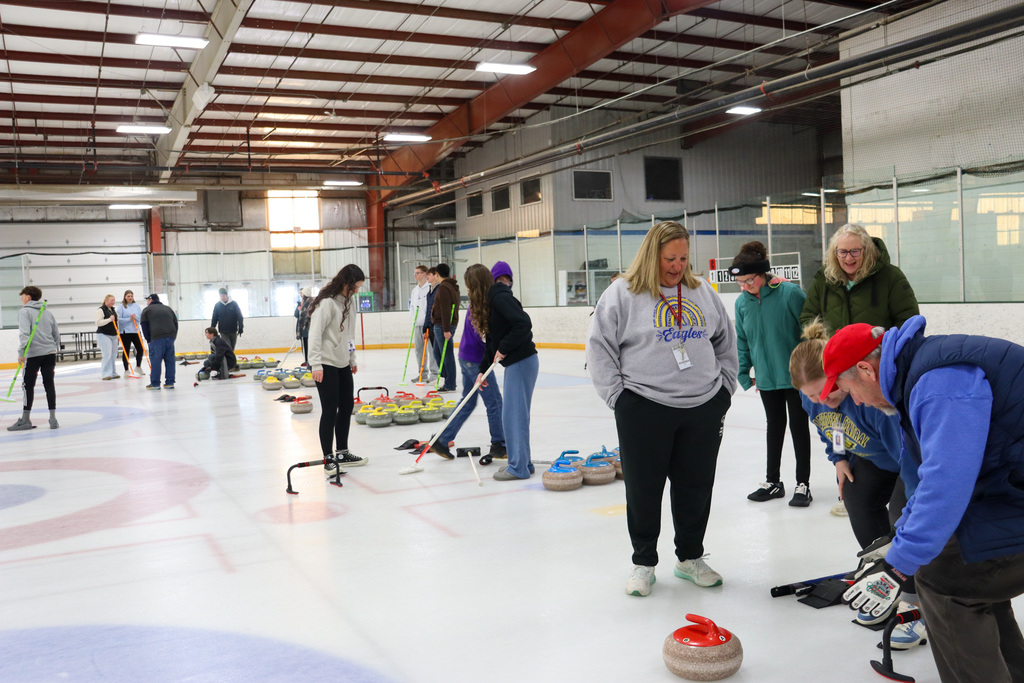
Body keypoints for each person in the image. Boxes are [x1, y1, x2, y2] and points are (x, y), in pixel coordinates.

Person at [824, 316, 1024, 680]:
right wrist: (899, 539)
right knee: (971, 573)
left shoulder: (938, 383)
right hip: (1009, 492)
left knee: (945, 583)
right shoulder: (916, 376)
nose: (858, 403)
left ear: (866, 370)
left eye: (850, 391)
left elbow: (947, 482)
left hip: (1011, 497)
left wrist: (900, 565)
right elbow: (925, 477)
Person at [587, 221, 737, 597]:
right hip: (644, 406)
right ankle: (643, 564)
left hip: (703, 405)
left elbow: (725, 340)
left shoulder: (701, 291)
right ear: (652, 255)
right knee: (643, 489)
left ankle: (690, 558)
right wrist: (618, 398)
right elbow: (599, 346)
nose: (677, 266)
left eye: (684, 258)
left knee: (696, 486)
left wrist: (724, 390)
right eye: (670, 258)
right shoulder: (622, 293)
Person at [789, 319, 922, 649]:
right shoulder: (813, 399)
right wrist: (840, 460)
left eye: (826, 391)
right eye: (809, 396)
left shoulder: (869, 403)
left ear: (839, 377)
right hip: (873, 459)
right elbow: (828, 427)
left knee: (903, 516)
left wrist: (912, 507)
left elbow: (908, 457)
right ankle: (879, 577)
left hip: (907, 461)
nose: (821, 401)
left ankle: (914, 602)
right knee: (857, 498)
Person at [729, 241, 812, 506]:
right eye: (740, 283)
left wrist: (810, 372)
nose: (744, 287)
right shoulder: (742, 304)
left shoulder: (790, 294)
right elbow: (742, 341)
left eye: (749, 280)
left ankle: (803, 484)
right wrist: (744, 374)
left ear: (762, 274)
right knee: (774, 428)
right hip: (765, 378)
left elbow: (811, 336)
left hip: (796, 378)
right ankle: (773, 481)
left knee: (799, 427)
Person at [427, 271, 508, 461]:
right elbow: (484, 338)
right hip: (474, 360)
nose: (467, 288)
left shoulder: (478, 303)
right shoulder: (481, 306)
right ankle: (499, 443)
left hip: (467, 357)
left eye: (469, 284)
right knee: (494, 402)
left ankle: (442, 439)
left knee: (468, 401)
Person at [475, 261, 536, 481]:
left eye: (506, 278)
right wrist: (482, 371)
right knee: (515, 415)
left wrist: (504, 348)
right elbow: (491, 341)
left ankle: (518, 467)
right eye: (502, 278)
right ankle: (523, 463)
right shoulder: (495, 300)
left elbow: (523, 324)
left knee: (513, 415)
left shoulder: (500, 298)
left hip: (522, 361)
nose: (505, 282)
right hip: (517, 362)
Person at [799, 223, 919, 334]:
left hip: (878, 356)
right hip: (834, 356)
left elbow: (908, 321)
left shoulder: (891, 276)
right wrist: (826, 346)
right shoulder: (824, 279)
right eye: (842, 252)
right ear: (834, 253)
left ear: (866, 250)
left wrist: (884, 349)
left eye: (855, 251)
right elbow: (808, 318)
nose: (849, 258)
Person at [308, 264, 368, 474]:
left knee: (346, 406)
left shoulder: (349, 303)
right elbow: (314, 335)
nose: (357, 291)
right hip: (325, 363)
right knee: (330, 410)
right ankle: (328, 458)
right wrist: (315, 364)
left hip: (342, 362)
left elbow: (349, 334)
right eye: (355, 287)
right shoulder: (326, 304)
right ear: (345, 283)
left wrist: (352, 358)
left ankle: (342, 451)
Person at [7, 286, 60, 431]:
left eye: (22, 295)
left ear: (28, 297)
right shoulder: (47, 312)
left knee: (27, 385)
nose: (21, 298)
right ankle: (53, 419)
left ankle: (25, 420)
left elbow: (25, 334)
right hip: (49, 353)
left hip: (34, 354)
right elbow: (57, 335)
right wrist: (51, 348)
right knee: (49, 384)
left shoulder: (24, 312)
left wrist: (21, 352)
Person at [430, 263, 460, 392]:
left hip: (442, 326)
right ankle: (447, 378)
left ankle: (450, 384)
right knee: (437, 352)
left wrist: (446, 329)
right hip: (442, 325)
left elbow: (445, 309)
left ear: (437, 274)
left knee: (446, 355)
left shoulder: (443, 288)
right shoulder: (452, 286)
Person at [140, 293, 178, 390]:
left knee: (156, 361)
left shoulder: (147, 310)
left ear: (150, 299)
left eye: (147, 300)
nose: (147, 302)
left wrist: (148, 339)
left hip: (156, 338)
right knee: (170, 361)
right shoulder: (168, 309)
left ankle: (155, 383)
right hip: (170, 337)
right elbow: (175, 323)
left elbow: (144, 326)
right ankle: (170, 382)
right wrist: (173, 336)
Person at [409, 265, 433, 382]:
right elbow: (412, 307)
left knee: (431, 349)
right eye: (415, 273)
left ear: (424, 274)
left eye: (417, 273)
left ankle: (434, 373)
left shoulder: (430, 288)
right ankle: (422, 373)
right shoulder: (415, 290)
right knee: (419, 350)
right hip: (417, 324)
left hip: (427, 324)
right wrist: (414, 319)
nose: (415, 275)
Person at [116, 290, 144, 376]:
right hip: (125, 332)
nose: (130, 298)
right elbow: (119, 320)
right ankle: (126, 370)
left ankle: (138, 367)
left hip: (135, 331)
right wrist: (129, 319)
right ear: (125, 297)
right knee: (126, 351)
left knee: (140, 349)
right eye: (128, 296)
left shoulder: (136, 306)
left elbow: (140, 317)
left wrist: (135, 317)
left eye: (131, 296)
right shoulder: (121, 307)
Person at [94, 294, 120, 381]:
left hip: (113, 334)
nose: (113, 302)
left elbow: (116, 322)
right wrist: (109, 320)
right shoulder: (101, 310)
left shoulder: (113, 310)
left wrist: (118, 333)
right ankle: (106, 374)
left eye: (114, 300)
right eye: (111, 300)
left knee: (114, 354)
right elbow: (98, 322)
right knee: (107, 354)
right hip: (103, 334)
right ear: (106, 301)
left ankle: (113, 372)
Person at [211, 287, 243, 351]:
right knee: (228, 348)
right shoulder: (217, 305)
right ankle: (229, 360)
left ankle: (230, 360)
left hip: (233, 330)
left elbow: (239, 316)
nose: (222, 297)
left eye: (223, 295)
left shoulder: (234, 304)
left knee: (232, 348)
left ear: (226, 295)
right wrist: (212, 328)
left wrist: (241, 327)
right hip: (223, 331)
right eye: (221, 296)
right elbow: (214, 318)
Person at [294, 286, 313, 367]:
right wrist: (298, 310)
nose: (301, 295)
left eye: (302, 293)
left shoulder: (310, 303)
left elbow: (306, 316)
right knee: (305, 346)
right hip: (304, 330)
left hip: (307, 329)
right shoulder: (301, 303)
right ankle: (307, 360)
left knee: (309, 346)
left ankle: (309, 361)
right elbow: (296, 315)